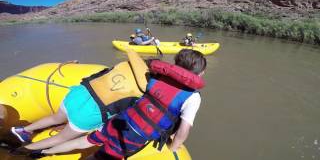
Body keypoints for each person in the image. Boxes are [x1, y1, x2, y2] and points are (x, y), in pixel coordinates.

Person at [22, 49, 207, 159]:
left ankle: (42, 152)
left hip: (119, 121)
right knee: (102, 156)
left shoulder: (157, 77)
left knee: (84, 141)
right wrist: (174, 148)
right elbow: (184, 130)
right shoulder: (192, 96)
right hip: (134, 137)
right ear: (198, 74)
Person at [10, 50, 149, 157]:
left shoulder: (124, 66)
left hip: (78, 94)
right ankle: (24, 150)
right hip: (90, 113)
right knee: (61, 138)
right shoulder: (143, 92)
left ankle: (23, 130)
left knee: (55, 118)